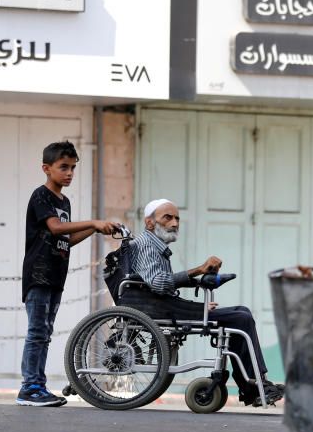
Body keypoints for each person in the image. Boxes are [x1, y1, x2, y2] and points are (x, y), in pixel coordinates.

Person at [124, 199, 284, 407]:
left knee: (241, 313)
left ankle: (251, 384)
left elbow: (161, 285)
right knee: (240, 318)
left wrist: (198, 289)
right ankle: (253, 384)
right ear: (149, 223)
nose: (175, 223)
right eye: (168, 217)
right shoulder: (146, 246)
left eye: (177, 218)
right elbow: (159, 283)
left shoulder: (156, 247)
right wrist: (199, 270)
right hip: (161, 310)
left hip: (166, 306)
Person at [19, 141, 119, 407]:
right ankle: (29, 387)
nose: (69, 173)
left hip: (55, 275)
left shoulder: (64, 201)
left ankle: (37, 386)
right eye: (64, 167)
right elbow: (54, 228)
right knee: (37, 332)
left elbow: (67, 237)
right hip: (38, 275)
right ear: (46, 168)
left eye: (73, 168)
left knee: (45, 333)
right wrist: (94, 221)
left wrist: (96, 229)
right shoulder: (41, 196)